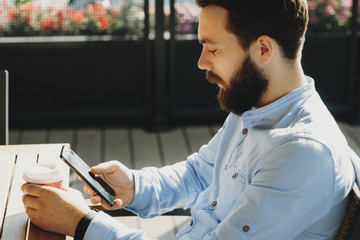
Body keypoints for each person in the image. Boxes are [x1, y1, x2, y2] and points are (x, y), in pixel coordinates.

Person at [21, 0, 357, 239]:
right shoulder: (256, 105)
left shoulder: (301, 153)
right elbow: (199, 173)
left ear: (263, 50)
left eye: (213, 49)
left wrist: (81, 224)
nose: (200, 62)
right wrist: (135, 186)